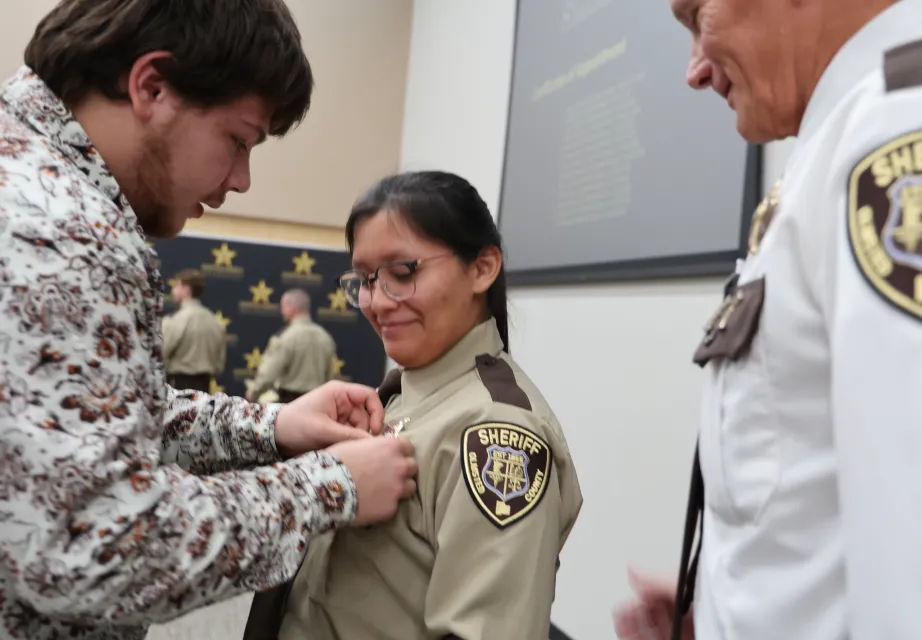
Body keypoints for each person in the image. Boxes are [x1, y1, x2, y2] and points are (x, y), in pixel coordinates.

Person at [0, 1, 419, 638]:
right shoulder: (65, 233)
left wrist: (272, 427)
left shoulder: (27, 183)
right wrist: (329, 487)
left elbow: (77, 422)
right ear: (152, 87)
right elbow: (97, 543)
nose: (243, 180)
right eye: (238, 140)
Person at [615, 0, 922, 639]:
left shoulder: (907, 126)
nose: (695, 70)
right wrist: (721, 610)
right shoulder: (849, 132)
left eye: (697, 15)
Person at [243, 171, 584, 640]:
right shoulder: (401, 394)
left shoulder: (496, 433)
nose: (377, 302)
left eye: (403, 274)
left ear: (482, 268)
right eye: (364, 280)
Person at [245, 288, 338, 403]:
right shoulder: (325, 337)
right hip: (317, 403)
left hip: (290, 403)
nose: (282, 311)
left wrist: (253, 392)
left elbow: (270, 372)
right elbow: (330, 377)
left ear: (292, 308)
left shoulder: (286, 337)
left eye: (283, 306)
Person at [162, 268, 228, 391]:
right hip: (205, 389)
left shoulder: (175, 320)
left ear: (186, 289)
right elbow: (219, 364)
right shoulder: (216, 322)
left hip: (177, 388)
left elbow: (160, 354)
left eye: (177, 286)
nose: (173, 291)